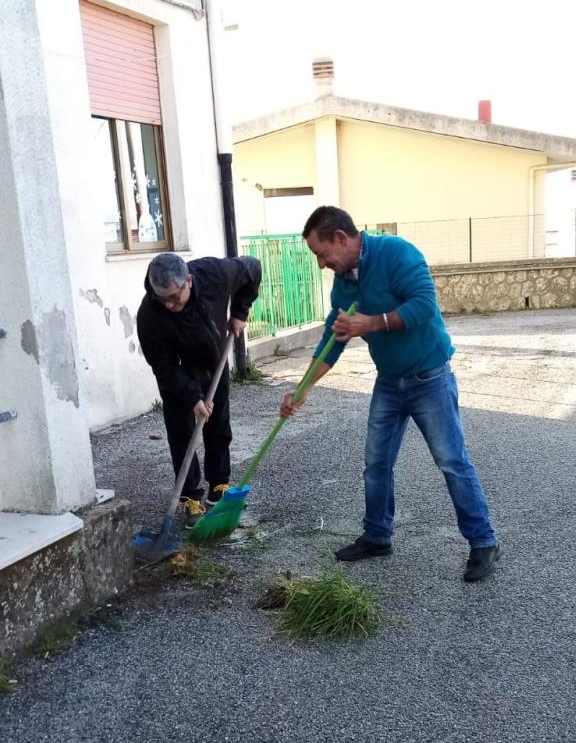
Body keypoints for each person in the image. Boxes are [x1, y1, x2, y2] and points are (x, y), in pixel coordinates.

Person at [280, 207, 500, 582]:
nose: (320, 264)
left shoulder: (397, 253)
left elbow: (425, 304)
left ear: (341, 239)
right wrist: (303, 389)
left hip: (429, 377)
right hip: (389, 382)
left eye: (321, 253)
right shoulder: (344, 284)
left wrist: (374, 322)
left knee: (451, 461)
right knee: (376, 464)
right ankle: (378, 536)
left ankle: (484, 542)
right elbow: (333, 340)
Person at [138, 251, 261, 527]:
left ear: (188, 282)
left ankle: (219, 485)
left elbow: (253, 269)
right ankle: (190, 497)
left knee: (218, 424)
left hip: (212, 361)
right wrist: (193, 397)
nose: (169, 305)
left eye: (174, 297)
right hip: (177, 371)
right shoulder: (149, 315)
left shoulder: (214, 274)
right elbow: (164, 366)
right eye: (162, 298)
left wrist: (240, 312)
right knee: (182, 431)